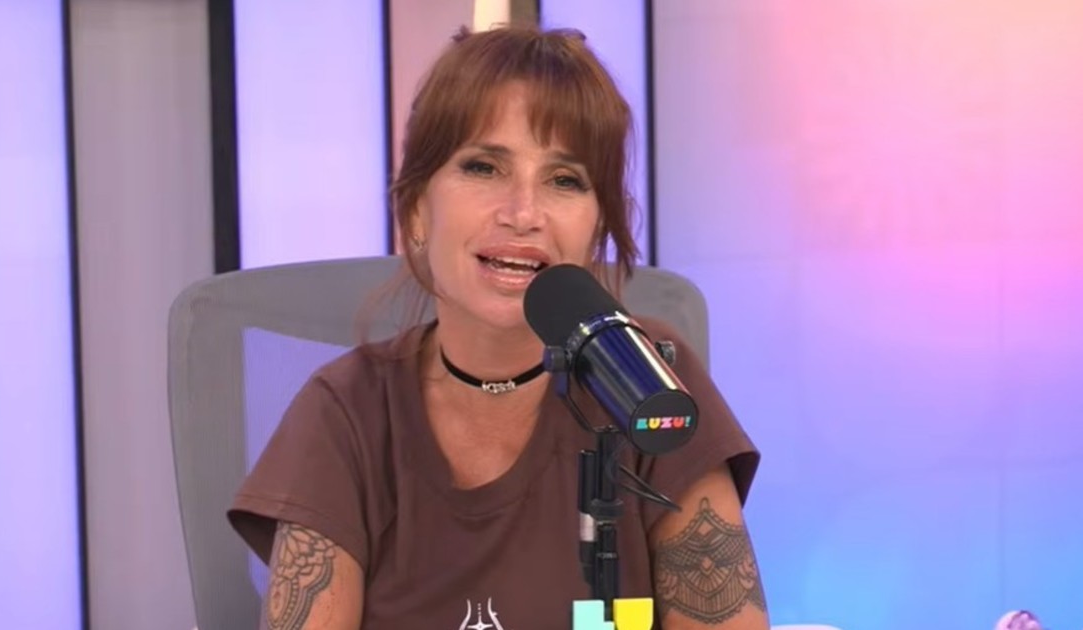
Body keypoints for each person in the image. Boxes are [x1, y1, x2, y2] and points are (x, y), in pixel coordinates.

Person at [228, 24, 768, 630]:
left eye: (564, 180)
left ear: (597, 226)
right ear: (416, 210)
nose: (523, 213)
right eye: (484, 167)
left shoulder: (650, 377)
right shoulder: (345, 410)